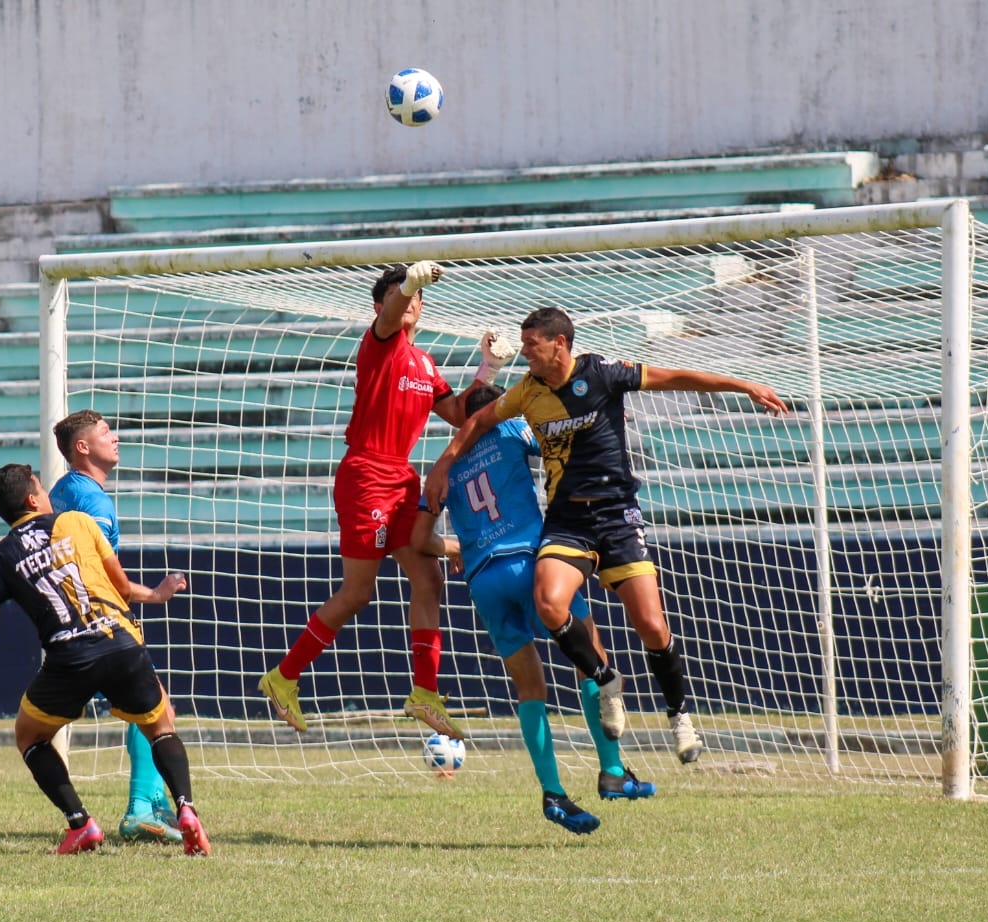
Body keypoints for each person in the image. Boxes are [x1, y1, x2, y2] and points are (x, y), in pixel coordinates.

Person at [424, 306, 789, 763]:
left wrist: (744, 385)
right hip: (567, 521)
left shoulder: (603, 374)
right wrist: (443, 463)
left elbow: (673, 377)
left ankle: (679, 716)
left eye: (532, 346)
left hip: (617, 516)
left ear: (560, 343)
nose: (527, 356)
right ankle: (605, 679)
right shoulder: (528, 392)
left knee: (652, 626)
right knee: (549, 603)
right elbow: (477, 420)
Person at [258, 261, 514, 741]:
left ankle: (425, 692)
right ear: (382, 306)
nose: (412, 301)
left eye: (417, 295)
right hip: (367, 474)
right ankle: (283, 677)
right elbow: (394, 309)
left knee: (428, 578)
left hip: (400, 477)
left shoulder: (424, 363)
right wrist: (408, 283)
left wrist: (490, 367)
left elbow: (461, 413)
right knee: (357, 594)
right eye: (401, 295)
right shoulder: (380, 343)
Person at [0, 463, 210, 856]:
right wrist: (157, 595)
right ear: (33, 498)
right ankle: (187, 811)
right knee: (160, 727)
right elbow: (120, 587)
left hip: (69, 658)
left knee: (29, 737)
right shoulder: (77, 522)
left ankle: (81, 823)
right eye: (40, 485)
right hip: (121, 643)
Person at [412, 383, 657, 835]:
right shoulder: (511, 429)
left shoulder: (441, 467)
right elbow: (558, 441)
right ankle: (613, 772)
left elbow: (418, 540)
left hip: (485, 580)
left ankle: (553, 793)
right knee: (592, 660)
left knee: (530, 688)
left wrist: (455, 546)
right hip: (531, 563)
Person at [48, 409, 181, 845]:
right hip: (102, 626)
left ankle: (147, 803)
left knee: (151, 707)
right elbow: (103, 579)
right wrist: (156, 594)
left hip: (63, 626)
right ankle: (143, 808)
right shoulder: (95, 504)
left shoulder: (60, 493)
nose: (115, 437)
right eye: (106, 432)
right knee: (158, 710)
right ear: (82, 447)